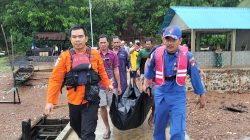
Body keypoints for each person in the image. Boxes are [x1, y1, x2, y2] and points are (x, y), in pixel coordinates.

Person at [44, 25, 113, 140]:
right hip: (74, 101)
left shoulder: (95, 54)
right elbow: (55, 79)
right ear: (70, 39)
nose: (77, 39)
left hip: (91, 100)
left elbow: (101, 71)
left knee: (88, 134)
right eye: (74, 37)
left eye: (80, 36)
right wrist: (50, 101)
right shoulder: (64, 57)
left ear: (86, 38)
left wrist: (107, 84)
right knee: (76, 127)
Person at [143, 25, 206, 140]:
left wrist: (201, 94)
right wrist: (146, 81)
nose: (170, 43)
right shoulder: (157, 53)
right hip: (161, 93)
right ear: (163, 39)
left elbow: (195, 76)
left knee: (178, 131)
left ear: (180, 41)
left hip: (177, 95)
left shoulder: (187, 56)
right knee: (159, 128)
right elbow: (150, 67)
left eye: (174, 39)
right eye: (167, 39)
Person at [98, 34, 121, 139]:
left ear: (108, 43)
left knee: (113, 107)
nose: (103, 44)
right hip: (99, 86)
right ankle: (107, 128)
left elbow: (116, 70)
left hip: (112, 86)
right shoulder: (95, 55)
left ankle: (116, 124)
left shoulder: (113, 55)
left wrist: (119, 85)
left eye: (104, 42)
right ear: (99, 43)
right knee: (102, 107)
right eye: (101, 42)